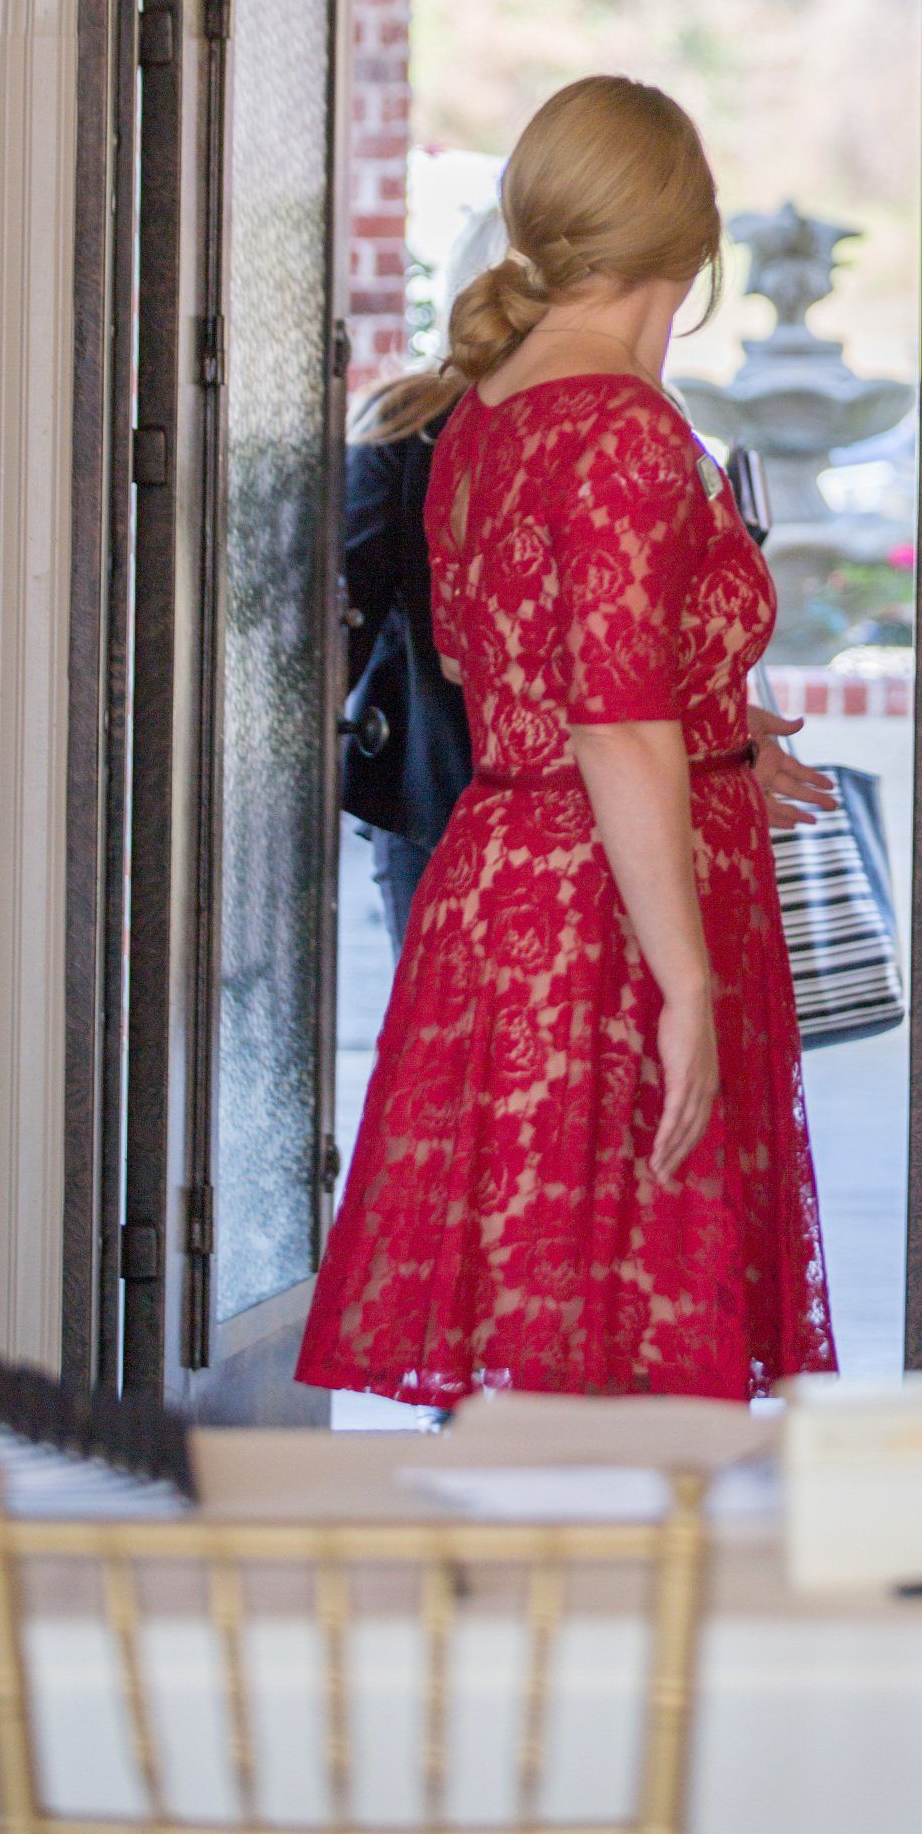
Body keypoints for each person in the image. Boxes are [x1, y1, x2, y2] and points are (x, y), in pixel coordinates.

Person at [299, 76, 838, 1404]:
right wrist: (691, 987)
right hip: (612, 908)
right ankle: (620, 1598)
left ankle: (546, 1598)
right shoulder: (621, 428)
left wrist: (724, 733)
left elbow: (550, 678)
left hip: (511, 882)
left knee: (543, 1332)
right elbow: (613, 728)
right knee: (627, 1346)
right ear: (691, 249)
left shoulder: (486, 411)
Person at [341, 205, 505, 952]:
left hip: (432, 786)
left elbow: (351, 607)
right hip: (584, 793)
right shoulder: (618, 419)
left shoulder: (405, 421)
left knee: (441, 1038)